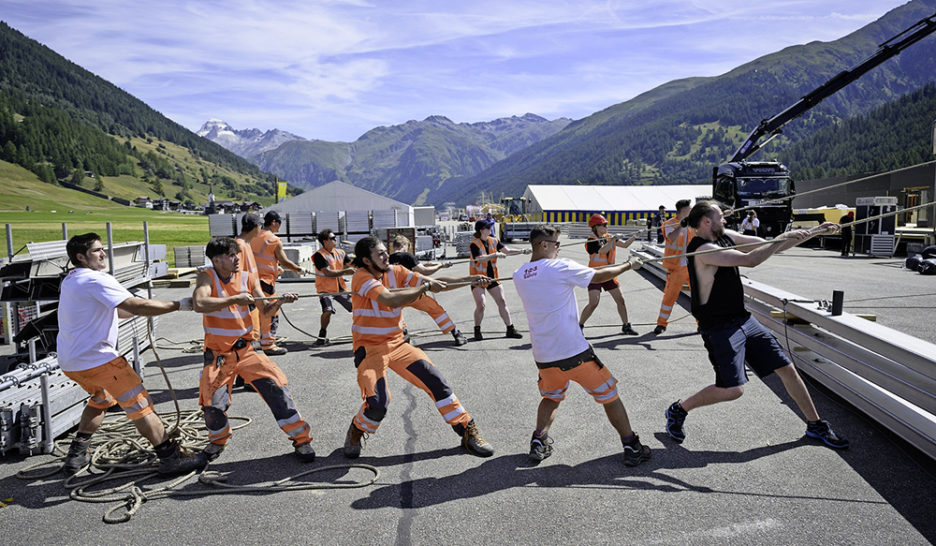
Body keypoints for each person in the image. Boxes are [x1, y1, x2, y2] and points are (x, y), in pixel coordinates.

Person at [663, 201, 849, 449]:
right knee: (732, 390)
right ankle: (679, 409)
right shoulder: (703, 249)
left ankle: (815, 424)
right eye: (721, 216)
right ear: (707, 221)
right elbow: (751, 260)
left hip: (743, 319)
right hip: (719, 327)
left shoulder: (725, 236)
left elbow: (768, 247)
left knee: (787, 368)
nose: (726, 220)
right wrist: (783, 236)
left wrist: (816, 231)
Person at [57, 233, 206, 475]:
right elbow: (133, 305)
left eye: (102, 248)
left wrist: (142, 308)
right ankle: (170, 457)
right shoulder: (96, 279)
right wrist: (178, 305)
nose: (103, 253)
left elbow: (118, 311)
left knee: (101, 399)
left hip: (72, 363)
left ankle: (77, 453)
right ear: (80, 257)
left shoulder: (71, 280)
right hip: (101, 361)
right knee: (141, 406)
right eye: (96, 251)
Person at [342, 236, 494, 459]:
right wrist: (424, 286)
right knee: (378, 405)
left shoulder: (397, 271)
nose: (386, 256)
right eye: (380, 254)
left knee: (436, 382)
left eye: (386, 251)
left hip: (398, 344)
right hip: (371, 349)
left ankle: (467, 432)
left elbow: (437, 284)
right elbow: (389, 299)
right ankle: (357, 429)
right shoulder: (361, 277)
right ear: (366, 260)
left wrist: (471, 279)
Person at [513, 225, 651, 466]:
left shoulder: (518, 274)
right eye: (556, 244)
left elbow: (540, 275)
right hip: (574, 352)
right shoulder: (560, 266)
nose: (559, 248)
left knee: (551, 396)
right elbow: (598, 276)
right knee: (610, 396)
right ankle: (632, 446)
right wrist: (630, 265)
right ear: (543, 245)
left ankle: (538, 440)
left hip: (544, 356)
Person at [192, 237, 316, 462]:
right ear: (217, 260)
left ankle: (302, 440)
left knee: (277, 388)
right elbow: (199, 303)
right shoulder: (206, 277)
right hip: (219, 355)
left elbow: (265, 311)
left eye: (237, 254)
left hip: (247, 350)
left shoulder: (249, 277)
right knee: (212, 404)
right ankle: (218, 441)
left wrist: (280, 302)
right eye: (231, 255)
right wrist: (234, 299)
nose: (237, 259)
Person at [389, 235, 468, 346]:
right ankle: (456, 334)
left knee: (395, 313)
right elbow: (425, 271)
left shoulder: (387, 260)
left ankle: (403, 333)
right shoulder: (407, 256)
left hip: (397, 296)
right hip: (414, 294)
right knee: (436, 310)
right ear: (404, 245)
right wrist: (439, 266)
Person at [250, 210, 305, 355]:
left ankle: (252, 343)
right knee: (271, 312)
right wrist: (299, 269)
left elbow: (259, 258)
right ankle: (268, 345)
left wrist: (275, 268)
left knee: (254, 312)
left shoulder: (253, 236)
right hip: (266, 282)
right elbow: (285, 261)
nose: (279, 227)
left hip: (251, 281)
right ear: (273, 222)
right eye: (279, 223)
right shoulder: (273, 239)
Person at [578, 214, 640, 335]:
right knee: (593, 303)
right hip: (595, 275)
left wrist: (635, 236)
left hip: (609, 274)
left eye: (606, 224)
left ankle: (626, 325)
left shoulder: (609, 237)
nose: (607, 227)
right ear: (596, 227)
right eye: (604, 225)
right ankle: (579, 326)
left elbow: (625, 244)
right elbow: (602, 250)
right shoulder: (591, 240)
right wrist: (612, 240)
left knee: (620, 300)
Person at [469, 218, 529, 340]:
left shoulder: (494, 240)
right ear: (481, 230)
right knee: (481, 305)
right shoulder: (474, 244)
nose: (490, 228)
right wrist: (495, 254)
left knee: (502, 301)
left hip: (493, 278)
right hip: (478, 279)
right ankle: (477, 330)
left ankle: (510, 329)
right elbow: (479, 258)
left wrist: (522, 251)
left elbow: (507, 251)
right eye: (488, 227)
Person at [654, 200, 694, 335]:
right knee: (670, 296)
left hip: (691, 266)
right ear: (683, 211)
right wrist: (681, 226)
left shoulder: (692, 224)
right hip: (676, 267)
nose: (691, 210)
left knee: (698, 296)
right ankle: (661, 324)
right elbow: (671, 238)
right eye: (689, 209)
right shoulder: (668, 224)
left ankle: (702, 323)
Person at [313, 228, 355, 346]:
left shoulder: (340, 253)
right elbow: (327, 272)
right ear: (325, 241)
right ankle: (322, 334)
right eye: (332, 238)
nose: (335, 239)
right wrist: (345, 272)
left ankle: (363, 332)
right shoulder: (319, 255)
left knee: (356, 307)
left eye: (335, 237)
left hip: (340, 288)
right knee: (328, 310)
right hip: (325, 289)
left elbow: (352, 264)